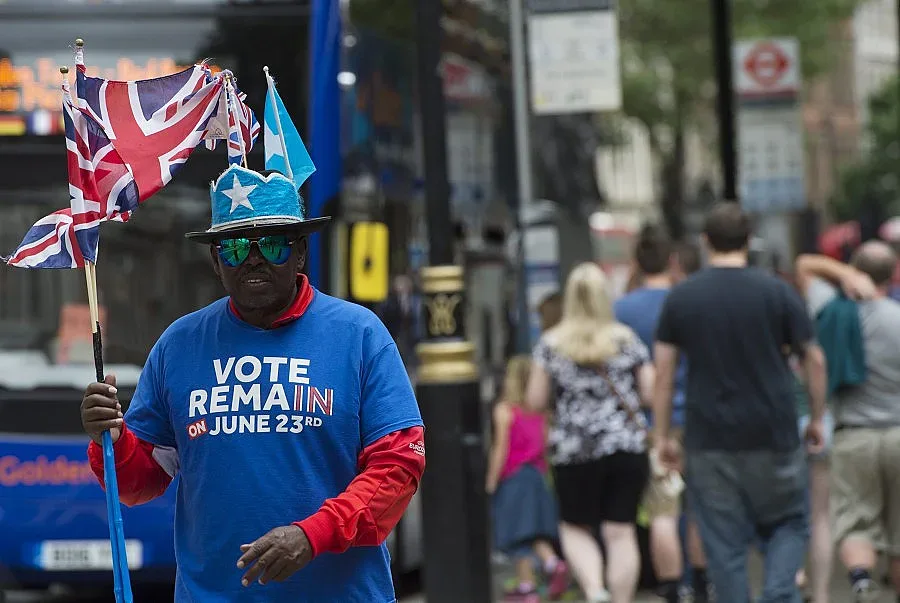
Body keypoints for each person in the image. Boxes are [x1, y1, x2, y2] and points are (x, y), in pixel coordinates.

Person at [80, 165, 425, 602]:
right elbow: (137, 483)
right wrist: (111, 439)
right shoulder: (179, 345)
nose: (254, 259)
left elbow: (398, 469)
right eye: (235, 247)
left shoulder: (360, 336)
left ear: (300, 253)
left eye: (274, 245)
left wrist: (313, 535)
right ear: (215, 261)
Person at [652, 203, 828, 603]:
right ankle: (779, 592)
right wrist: (817, 417)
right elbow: (814, 360)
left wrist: (662, 436)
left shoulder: (682, 297)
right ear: (749, 240)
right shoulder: (778, 291)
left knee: (723, 542)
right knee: (789, 521)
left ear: (706, 241)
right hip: (774, 431)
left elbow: (663, 373)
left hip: (709, 437)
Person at [526, 262, 653, 603]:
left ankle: (596, 591)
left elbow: (534, 400)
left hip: (573, 451)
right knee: (621, 531)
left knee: (575, 527)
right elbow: (649, 392)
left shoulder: (551, 344)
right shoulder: (626, 339)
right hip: (625, 446)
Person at [795, 244, 900, 603]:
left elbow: (804, 264)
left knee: (856, 521)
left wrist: (845, 274)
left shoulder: (834, 309)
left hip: (853, 434)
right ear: (893, 274)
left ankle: (861, 581)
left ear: (855, 269)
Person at [614, 225, 711, 603]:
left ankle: (670, 589)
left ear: (637, 263)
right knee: (699, 508)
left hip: (650, 423)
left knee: (662, 512)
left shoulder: (621, 309)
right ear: (671, 261)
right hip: (696, 416)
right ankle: (701, 585)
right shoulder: (688, 302)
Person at [486, 355, 569, 602]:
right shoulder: (542, 413)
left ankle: (527, 586)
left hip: (515, 478)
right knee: (534, 532)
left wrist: (491, 480)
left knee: (517, 533)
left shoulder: (504, 410)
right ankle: (553, 563)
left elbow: (500, 449)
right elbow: (545, 446)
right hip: (537, 475)